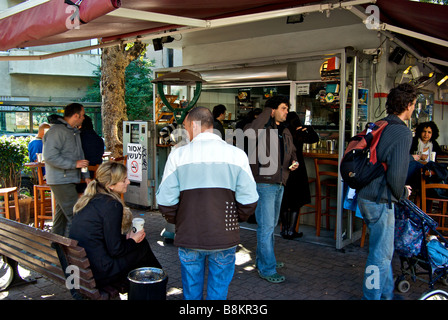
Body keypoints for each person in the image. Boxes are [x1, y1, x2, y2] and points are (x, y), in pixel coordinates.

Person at [156, 107, 258, 300]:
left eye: (185, 126)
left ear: (194, 124)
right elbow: (249, 200)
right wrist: (234, 219)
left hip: (189, 234)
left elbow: (165, 201)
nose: (185, 131)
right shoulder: (237, 155)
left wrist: (180, 220)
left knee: (191, 293)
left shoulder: (178, 155)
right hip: (224, 235)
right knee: (218, 292)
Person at [357, 83, 416, 300]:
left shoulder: (378, 124)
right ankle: (371, 296)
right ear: (408, 105)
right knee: (379, 256)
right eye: (413, 105)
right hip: (381, 199)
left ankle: (387, 293)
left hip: (364, 194)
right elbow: (397, 176)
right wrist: (403, 193)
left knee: (383, 250)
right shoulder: (402, 132)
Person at [70, 161, 161, 288]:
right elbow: (116, 250)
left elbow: (104, 239)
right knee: (142, 247)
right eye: (124, 180)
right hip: (100, 271)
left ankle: (146, 287)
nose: (128, 182)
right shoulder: (112, 205)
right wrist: (133, 240)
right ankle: (157, 284)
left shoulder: (90, 199)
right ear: (110, 185)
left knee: (138, 248)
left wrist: (128, 239)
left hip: (85, 267)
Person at [244, 95, 298, 283]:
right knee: (266, 227)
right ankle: (267, 268)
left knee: (269, 226)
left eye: (287, 108)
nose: (287, 112)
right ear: (273, 110)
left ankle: (263, 261)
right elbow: (248, 134)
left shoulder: (283, 130)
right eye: (283, 108)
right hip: (264, 183)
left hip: (279, 182)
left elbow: (292, 152)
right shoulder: (261, 129)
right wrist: (268, 110)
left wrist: (294, 162)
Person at [43, 103, 90, 236]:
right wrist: (74, 164)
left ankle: (56, 243)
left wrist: (85, 175)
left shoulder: (73, 131)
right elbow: (50, 157)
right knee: (76, 215)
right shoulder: (57, 131)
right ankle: (80, 247)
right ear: (76, 116)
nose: (84, 118)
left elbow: (81, 156)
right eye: (83, 115)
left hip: (66, 178)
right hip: (61, 179)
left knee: (61, 216)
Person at [280, 111, 319, 240]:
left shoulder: (282, 131)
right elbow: (315, 139)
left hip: (284, 167)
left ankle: (284, 230)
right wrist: (309, 128)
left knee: (285, 199)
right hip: (298, 167)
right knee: (296, 200)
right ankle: (292, 231)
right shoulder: (299, 132)